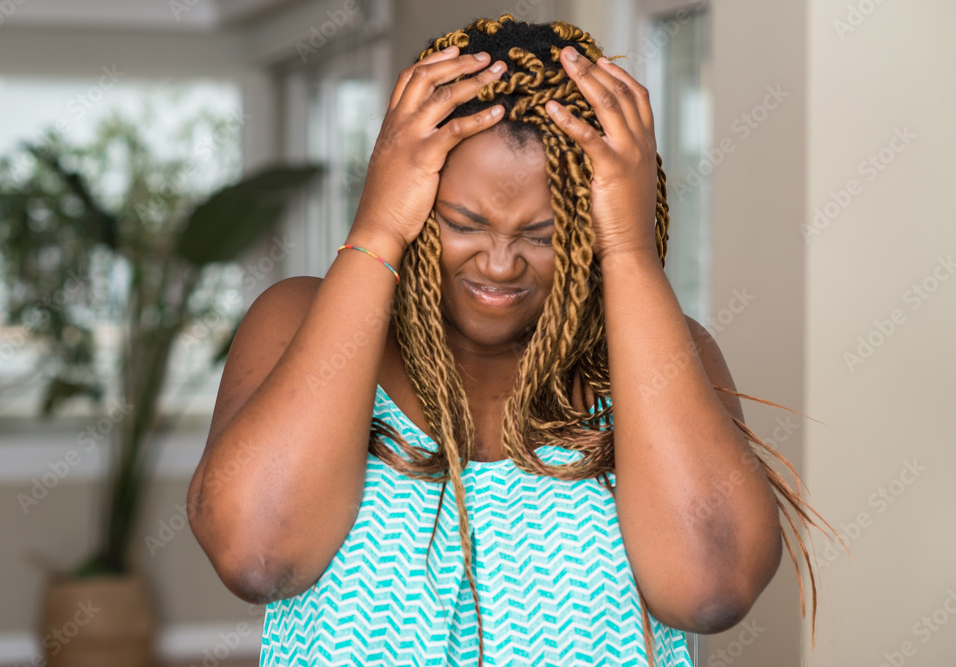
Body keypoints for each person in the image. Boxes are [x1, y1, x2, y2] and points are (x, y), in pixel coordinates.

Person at [188, 15, 834, 666]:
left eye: (544, 234)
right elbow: (258, 554)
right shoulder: (298, 317)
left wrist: (631, 253)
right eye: (464, 222)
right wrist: (378, 229)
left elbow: (709, 590)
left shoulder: (657, 355)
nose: (500, 264)